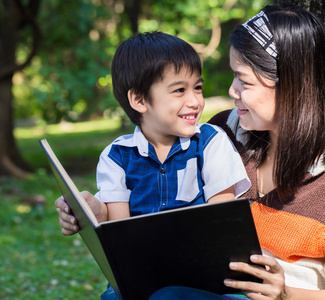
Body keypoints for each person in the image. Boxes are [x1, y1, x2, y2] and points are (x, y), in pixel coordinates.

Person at [56, 4, 325, 300]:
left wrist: (285, 293)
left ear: (291, 85)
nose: (231, 91)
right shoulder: (223, 133)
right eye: (233, 76)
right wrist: (96, 214)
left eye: (245, 81)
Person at [56, 31, 250, 299]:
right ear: (139, 100)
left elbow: (222, 226)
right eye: (179, 90)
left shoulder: (209, 142)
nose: (194, 101)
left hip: (209, 280)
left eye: (198, 87)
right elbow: (121, 235)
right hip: (145, 280)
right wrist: (94, 211)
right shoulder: (117, 157)